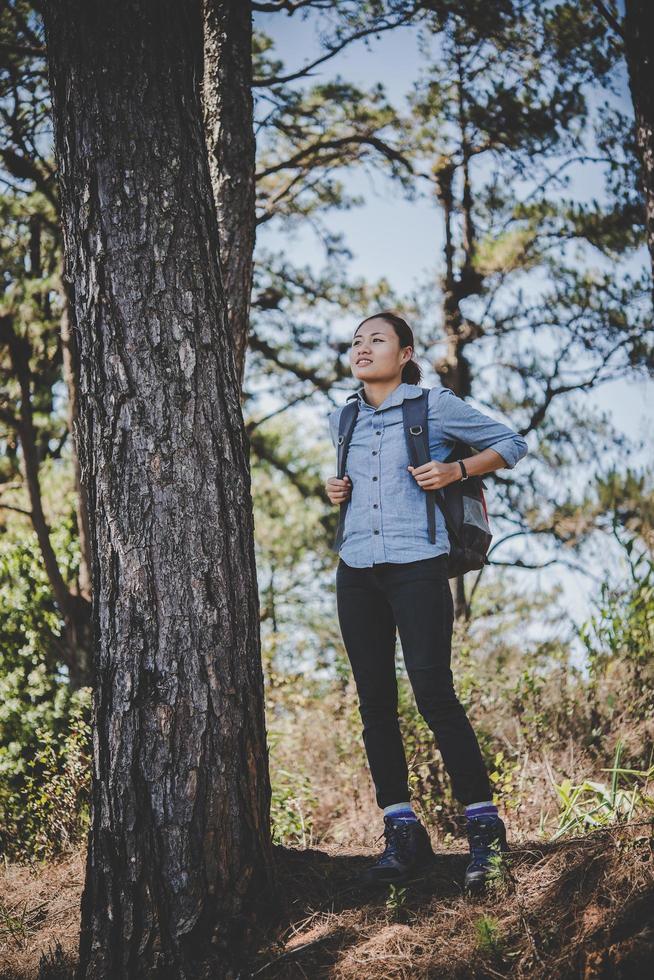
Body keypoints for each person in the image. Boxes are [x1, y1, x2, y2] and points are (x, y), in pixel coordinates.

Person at [324, 310, 528, 894]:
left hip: (418, 564)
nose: (363, 348)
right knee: (374, 704)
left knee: (434, 693)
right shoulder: (344, 416)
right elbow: (356, 487)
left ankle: (485, 831)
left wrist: (456, 467)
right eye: (357, 341)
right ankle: (402, 832)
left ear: (406, 352)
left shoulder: (433, 406)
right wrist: (337, 488)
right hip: (356, 569)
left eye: (377, 340)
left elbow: (511, 444)